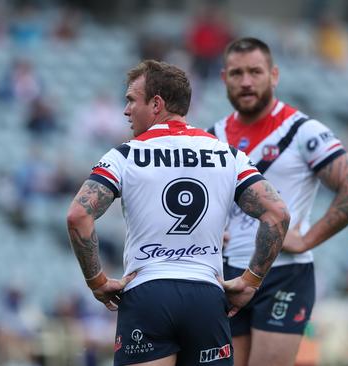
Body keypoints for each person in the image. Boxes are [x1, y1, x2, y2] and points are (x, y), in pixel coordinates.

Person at [66, 59, 290, 366]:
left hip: (148, 294)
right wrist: (250, 281)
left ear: (156, 103)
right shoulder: (228, 154)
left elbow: (79, 215)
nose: (125, 110)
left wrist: (97, 281)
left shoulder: (126, 154)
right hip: (207, 297)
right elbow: (277, 213)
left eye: (132, 100)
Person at [207, 37, 348, 366]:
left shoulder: (302, 131)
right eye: (237, 73)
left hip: (283, 275)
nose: (246, 82)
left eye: (255, 72)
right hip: (226, 273)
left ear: (274, 75)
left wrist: (306, 240)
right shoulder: (213, 137)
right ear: (224, 78)